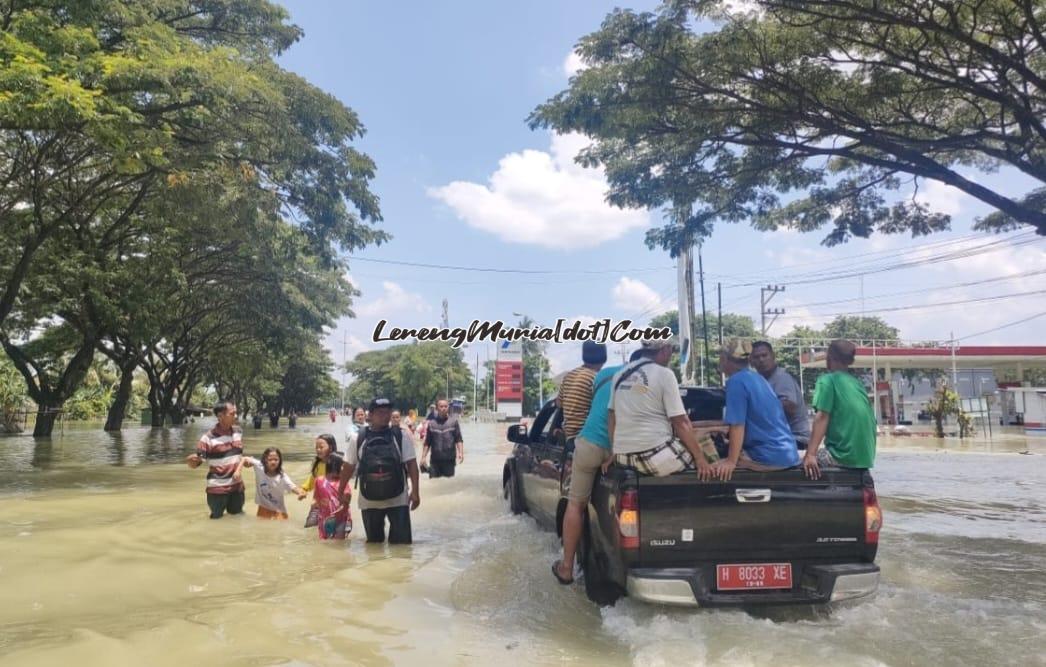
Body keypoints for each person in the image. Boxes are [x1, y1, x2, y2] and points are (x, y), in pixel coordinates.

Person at [552, 348, 621, 585]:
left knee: (575, 505)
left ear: (582, 356)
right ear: (603, 359)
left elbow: (559, 403)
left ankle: (566, 567)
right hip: (602, 443)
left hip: (578, 442)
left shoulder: (570, 376)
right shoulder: (600, 379)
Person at [607, 338, 715, 479]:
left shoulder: (619, 375)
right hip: (652, 455)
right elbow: (680, 422)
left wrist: (614, 451)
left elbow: (611, 416)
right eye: (671, 350)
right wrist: (700, 458)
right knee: (707, 463)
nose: (671, 355)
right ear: (665, 350)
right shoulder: (664, 374)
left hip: (622, 457)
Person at [712, 339, 801, 481]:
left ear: (725, 359)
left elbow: (737, 426)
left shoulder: (736, 382)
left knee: (710, 464)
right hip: (786, 453)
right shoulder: (757, 378)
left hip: (766, 456)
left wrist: (731, 461)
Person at [339, 398, 421, 544]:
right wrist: (340, 491)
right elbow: (348, 466)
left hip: (399, 500)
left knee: (402, 546)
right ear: (370, 415)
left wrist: (415, 492)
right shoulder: (357, 437)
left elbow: (412, 464)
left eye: (387, 412)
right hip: (369, 502)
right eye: (380, 412)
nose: (385, 415)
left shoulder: (400, 435)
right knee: (374, 545)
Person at [803, 339, 878, 479]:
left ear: (829, 357)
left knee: (804, 461)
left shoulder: (827, 380)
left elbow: (822, 417)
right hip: (865, 458)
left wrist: (811, 454)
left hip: (843, 456)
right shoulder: (857, 384)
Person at [185, 401, 246, 519]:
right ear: (220, 416)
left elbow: (239, 455)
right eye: (232, 414)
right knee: (216, 520)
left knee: (238, 518)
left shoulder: (238, 431)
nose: (236, 416)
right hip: (217, 489)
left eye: (236, 413)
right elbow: (195, 464)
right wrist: (189, 460)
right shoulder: (207, 438)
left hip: (237, 487)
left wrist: (246, 462)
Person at [750, 341, 811, 449]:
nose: (761, 360)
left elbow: (790, 407)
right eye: (756, 357)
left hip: (796, 438)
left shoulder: (781, 377)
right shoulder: (761, 380)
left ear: (773, 356)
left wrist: (754, 406)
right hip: (781, 437)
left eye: (764, 355)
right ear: (751, 361)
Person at [556, 341, 607, 441]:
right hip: (589, 437)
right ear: (604, 357)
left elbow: (558, 403)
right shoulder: (597, 378)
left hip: (569, 437)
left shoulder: (569, 375)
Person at [303, 434, 350, 539]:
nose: (318, 450)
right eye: (316, 448)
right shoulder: (317, 465)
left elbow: (347, 492)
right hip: (319, 504)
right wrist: (304, 489)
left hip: (336, 505)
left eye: (321, 447)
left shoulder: (339, 463)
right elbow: (312, 480)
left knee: (337, 533)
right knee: (310, 526)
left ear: (331, 447)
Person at [242, 447, 307, 519]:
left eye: (276, 460)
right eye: (270, 459)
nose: (273, 462)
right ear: (265, 460)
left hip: (279, 512)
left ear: (280, 461)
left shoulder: (282, 476)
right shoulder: (259, 466)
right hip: (263, 509)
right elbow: (244, 458)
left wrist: (301, 493)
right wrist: (245, 464)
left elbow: (293, 487)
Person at [421, 398, 464, 478]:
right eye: (441, 406)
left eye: (446, 406)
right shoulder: (431, 424)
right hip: (435, 461)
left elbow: (459, 439)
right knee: (433, 485)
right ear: (437, 408)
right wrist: (423, 457)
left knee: (448, 486)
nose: (444, 408)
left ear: (448, 407)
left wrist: (461, 453)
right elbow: (427, 442)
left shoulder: (454, 422)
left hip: (449, 460)